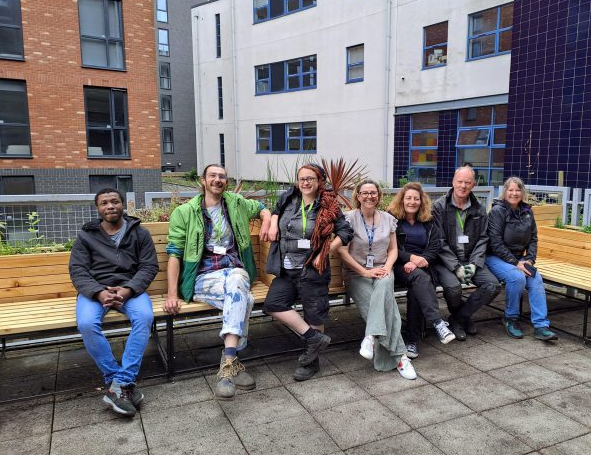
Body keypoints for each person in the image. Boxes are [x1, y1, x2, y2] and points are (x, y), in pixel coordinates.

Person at [163, 164, 272, 399]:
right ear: (203, 181)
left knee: (236, 281)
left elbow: (262, 208)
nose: (217, 179)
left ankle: (228, 361)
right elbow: (174, 253)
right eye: (212, 176)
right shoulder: (185, 212)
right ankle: (233, 360)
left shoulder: (235, 203)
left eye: (222, 176)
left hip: (235, 270)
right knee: (246, 297)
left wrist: (266, 221)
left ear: (226, 182)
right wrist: (172, 294)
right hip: (203, 277)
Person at [69, 188, 159, 417]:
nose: (110, 206)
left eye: (115, 202)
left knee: (145, 318)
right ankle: (119, 382)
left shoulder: (140, 234)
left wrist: (129, 289)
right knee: (87, 323)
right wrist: (98, 292)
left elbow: (149, 266)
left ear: (122, 205)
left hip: (130, 289)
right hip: (96, 291)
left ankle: (119, 384)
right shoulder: (86, 236)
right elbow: (78, 270)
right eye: (104, 203)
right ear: (98, 208)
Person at [263, 163, 353, 381]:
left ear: (319, 181)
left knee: (314, 313)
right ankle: (314, 339)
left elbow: (346, 230)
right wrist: (273, 222)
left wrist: (327, 250)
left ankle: (311, 363)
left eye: (310, 178)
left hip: (312, 269)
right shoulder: (289, 197)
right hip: (286, 268)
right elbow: (274, 209)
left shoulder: (329, 204)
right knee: (273, 304)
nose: (305, 182)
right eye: (302, 178)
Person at [336, 179, 416, 379]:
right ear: (358, 196)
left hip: (383, 269)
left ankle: (371, 336)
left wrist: (387, 268)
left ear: (379, 196)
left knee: (382, 294)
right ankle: (401, 357)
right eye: (365, 193)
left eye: (373, 193)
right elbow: (342, 251)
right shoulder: (349, 218)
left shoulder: (389, 219)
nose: (369, 196)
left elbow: (393, 249)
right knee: (386, 305)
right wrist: (364, 272)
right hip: (356, 273)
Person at [432, 165, 501, 340]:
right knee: (453, 288)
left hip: (471, 259)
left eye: (467, 182)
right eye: (460, 181)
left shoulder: (478, 207)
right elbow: (439, 241)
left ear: (474, 184)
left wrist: (474, 264)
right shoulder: (439, 206)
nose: (463, 186)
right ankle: (465, 317)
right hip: (446, 262)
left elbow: (483, 238)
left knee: (492, 286)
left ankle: (458, 318)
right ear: (453, 182)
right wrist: (456, 267)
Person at [485, 177, 558, 340]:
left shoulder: (527, 211)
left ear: (522, 192)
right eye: (510, 190)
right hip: (495, 257)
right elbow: (495, 243)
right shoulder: (497, 211)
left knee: (536, 279)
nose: (514, 193)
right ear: (505, 192)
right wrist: (516, 263)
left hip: (520, 259)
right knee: (516, 277)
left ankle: (541, 326)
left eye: (517, 190)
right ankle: (510, 318)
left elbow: (533, 238)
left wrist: (530, 260)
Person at [388, 182, 455, 359]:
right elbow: (390, 247)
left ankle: (412, 341)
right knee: (420, 279)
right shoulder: (392, 218)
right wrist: (410, 258)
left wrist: (420, 261)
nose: (412, 202)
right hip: (398, 265)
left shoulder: (429, 220)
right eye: (408, 198)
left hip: (423, 266)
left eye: (416, 198)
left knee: (416, 290)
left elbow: (435, 246)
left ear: (421, 201)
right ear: (402, 200)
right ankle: (437, 322)